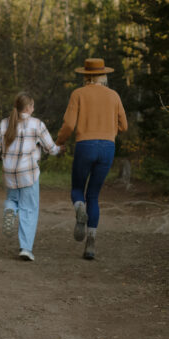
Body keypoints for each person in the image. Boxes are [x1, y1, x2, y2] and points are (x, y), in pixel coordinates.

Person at [56, 57, 127, 261]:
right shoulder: (114, 96)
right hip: (108, 147)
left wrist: (60, 142)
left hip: (85, 145)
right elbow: (124, 126)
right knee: (93, 195)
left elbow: (69, 125)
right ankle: (91, 243)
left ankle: (79, 209)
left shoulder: (78, 94)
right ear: (103, 75)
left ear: (86, 76)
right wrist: (109, 128)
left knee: (78, 189)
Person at [0, 93, 63, 262]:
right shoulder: (37, 124)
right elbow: (51, 148)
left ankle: (10, 210)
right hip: (28, 174)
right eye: (33, 106)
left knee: (13, 199)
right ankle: (26, 248)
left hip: (9, 173)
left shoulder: (5, 123)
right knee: (29, 209)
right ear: (29, 107)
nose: (34, 108)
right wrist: (61, 149)